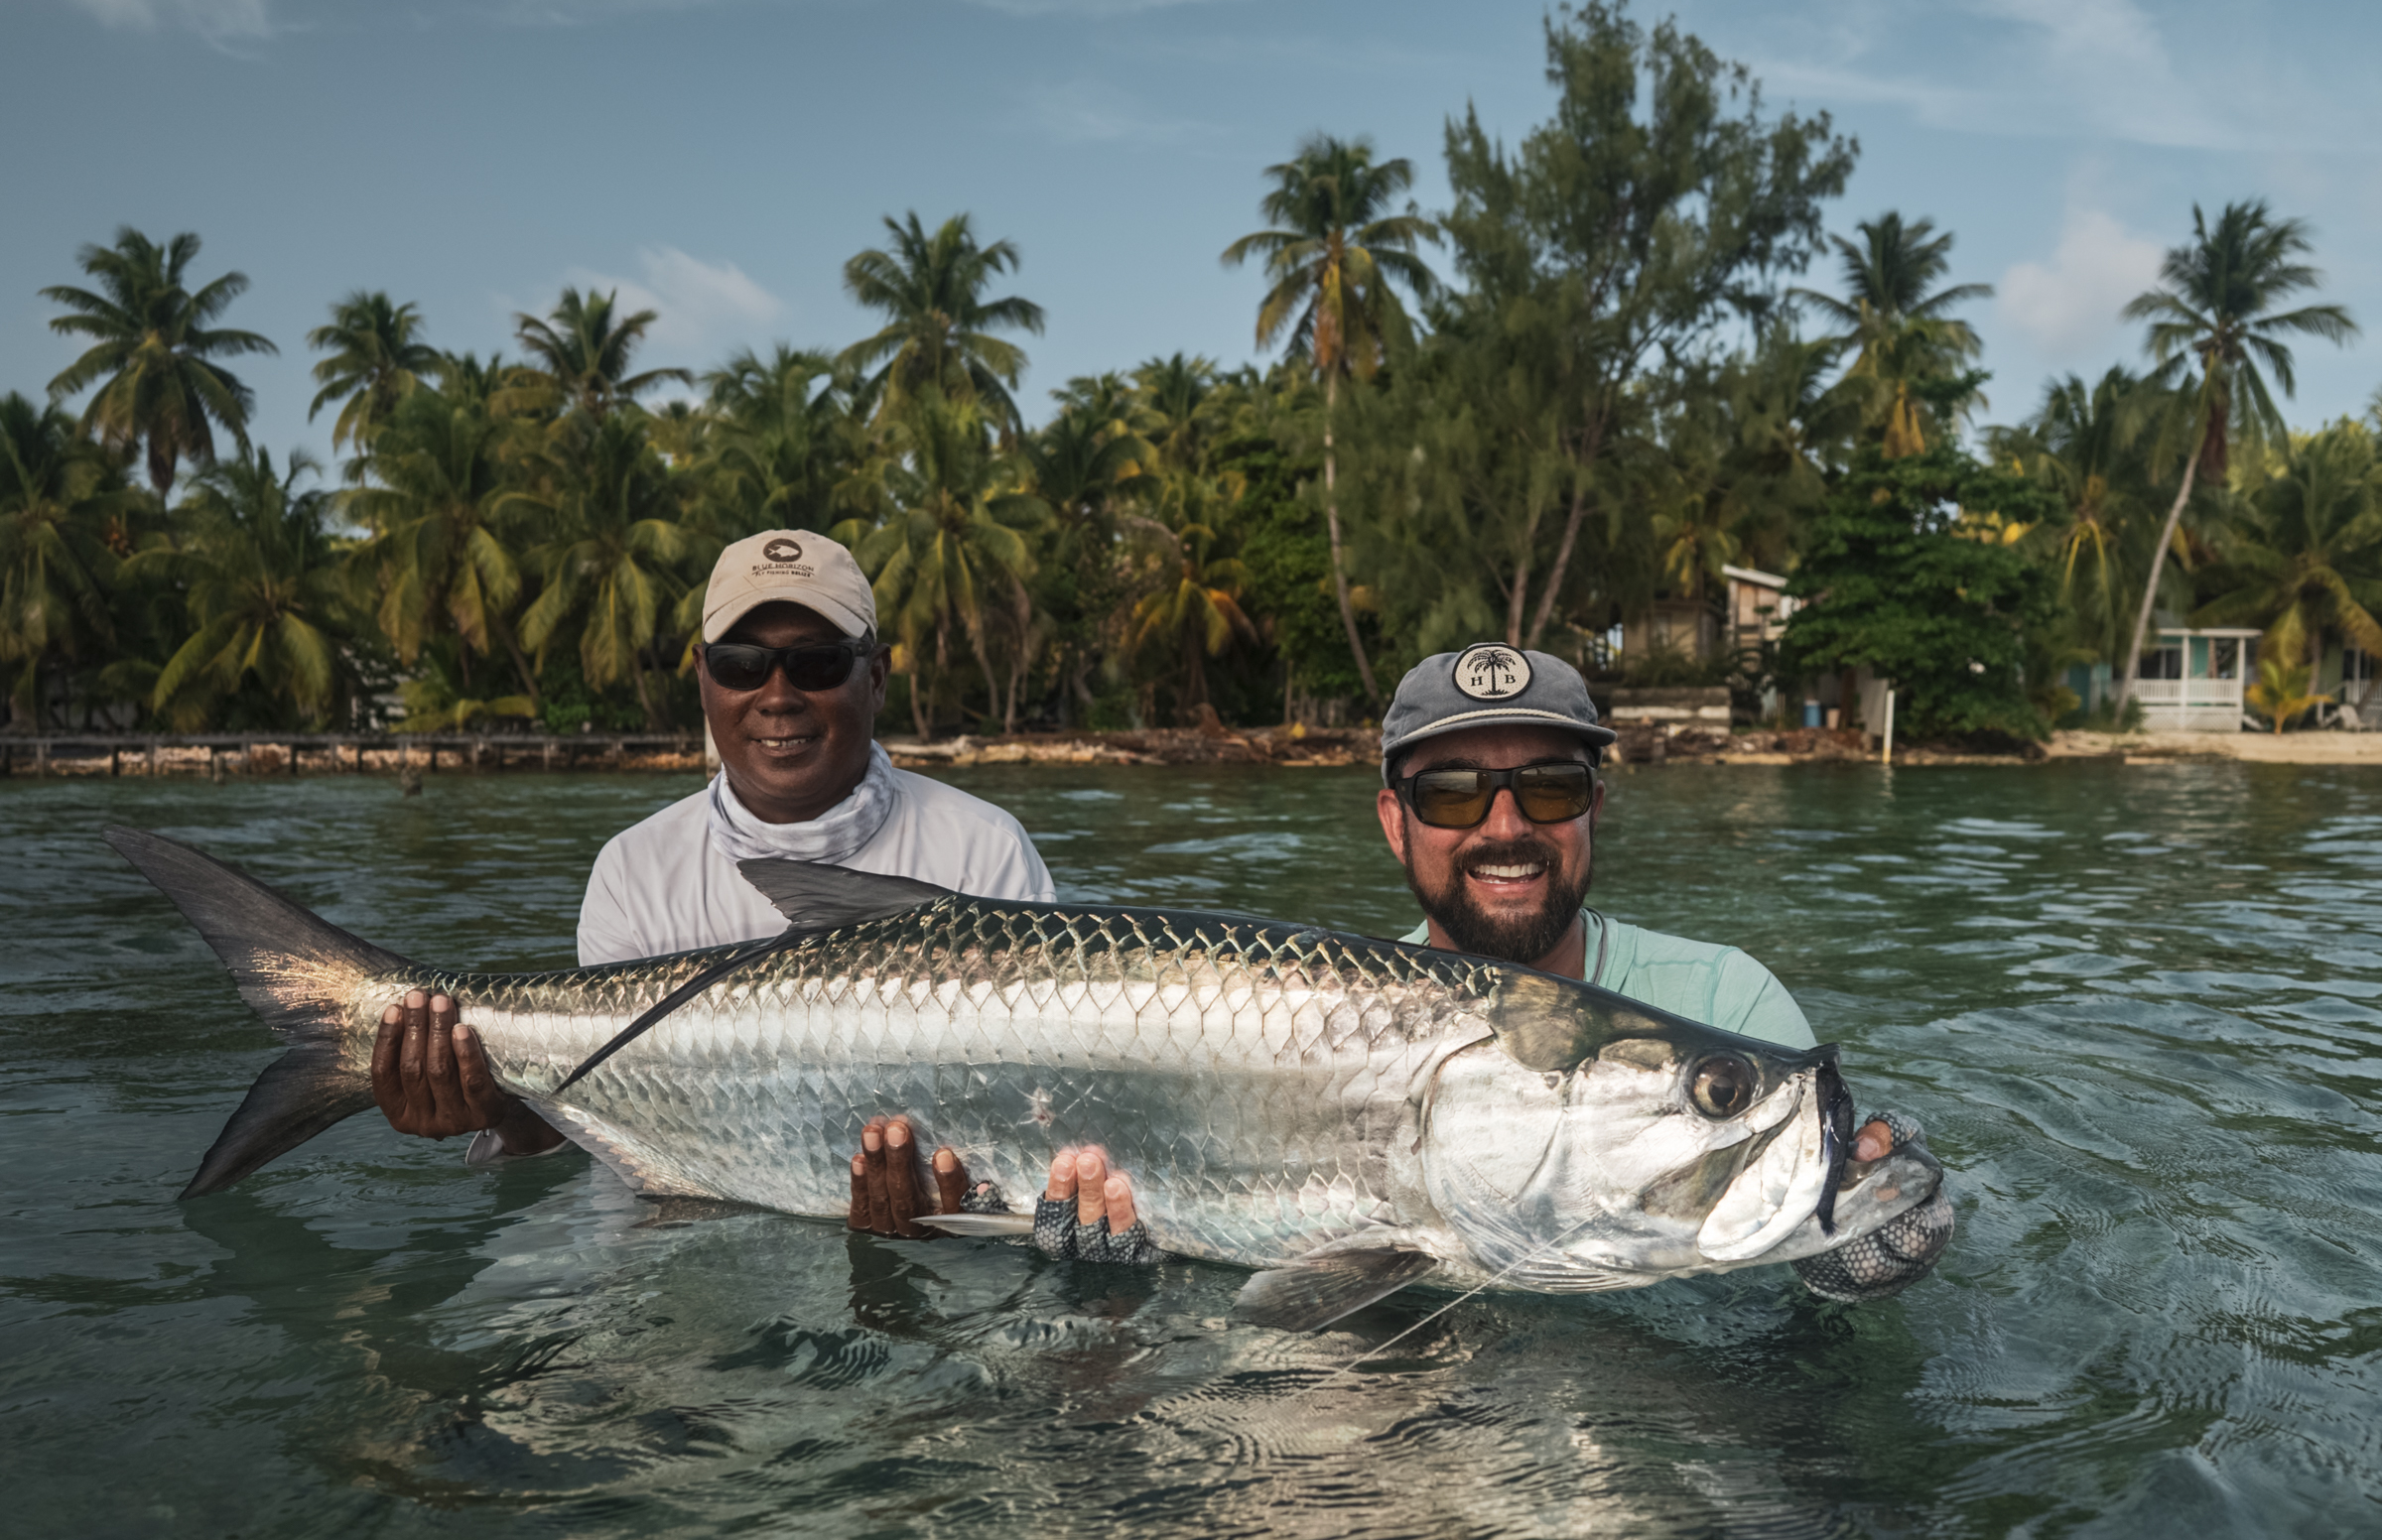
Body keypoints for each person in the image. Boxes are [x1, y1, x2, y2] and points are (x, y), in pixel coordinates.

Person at [851, 642, 1898, 1254]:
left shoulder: (1729, 1005)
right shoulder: (1321, 997)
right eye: (1450, 792)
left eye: (1549, 786)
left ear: (1594, 811)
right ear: (1394, 823)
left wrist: (1876, 1239)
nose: (1504, 827)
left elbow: (1812, 1269)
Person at [368, 529, 1054, 1197]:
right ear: (703, 678)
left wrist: (954, 1213)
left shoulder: (983, 849)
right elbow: (603, 1128)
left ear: (875, 677)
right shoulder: (634, 871)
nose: (778, 695)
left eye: (816, 662)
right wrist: (503, 1110)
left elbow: (1036, 1110)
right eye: (741, 665)